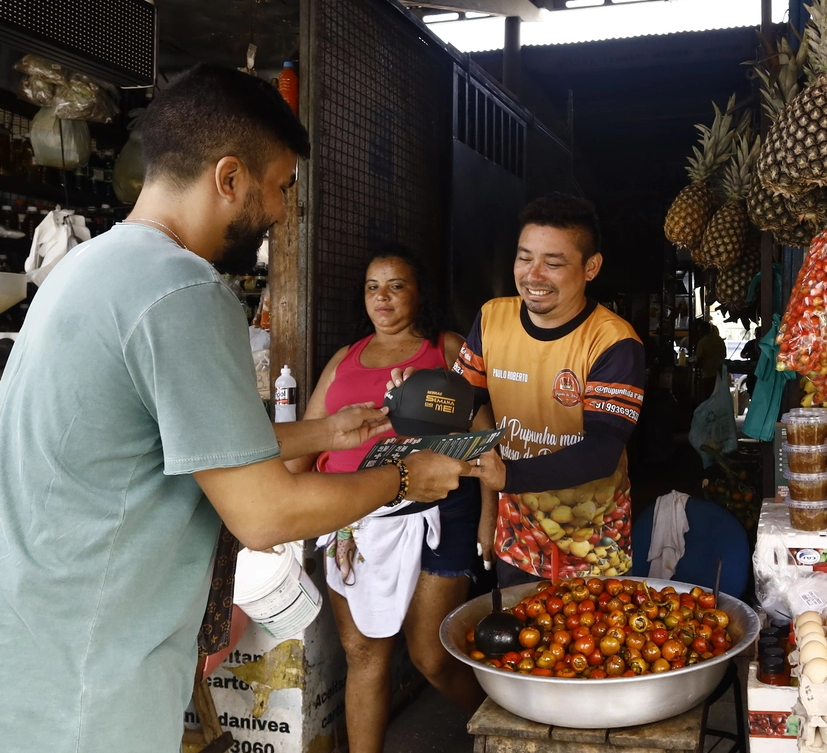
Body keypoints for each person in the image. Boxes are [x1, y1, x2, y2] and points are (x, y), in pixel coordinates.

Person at [0, 64, 471, 753]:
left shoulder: (87, 269)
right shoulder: (182, 290)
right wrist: (408, 479)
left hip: (36, 648)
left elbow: (173, 442)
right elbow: (265, 515)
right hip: (94, 680)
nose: (281, 210)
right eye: (279, 185)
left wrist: (325, 430)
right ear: (229, 178)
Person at [285, 245, 486, 750]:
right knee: (363, 654)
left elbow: (483, 439)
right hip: (352, 517)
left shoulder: (444, 350)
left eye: (396, 285)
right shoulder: (343, 358)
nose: (383, 297)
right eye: (373, 286)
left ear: (419, 294)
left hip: (436, 509)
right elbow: (307, 444)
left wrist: (490, 518)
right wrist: (278, 503)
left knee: (431, 655)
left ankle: (499, 729)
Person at [455, 193, 646, 586]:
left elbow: (601, 452)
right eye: (525, 258)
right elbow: (461, 399)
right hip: (518, 538)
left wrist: (507, 475)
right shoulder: (493, 318)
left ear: (590, 267)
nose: (533, 274)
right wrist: (414, 396)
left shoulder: (613, 342)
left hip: (594, 546)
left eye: (553, 263)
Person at [693, 319, 727, 398]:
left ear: (701, 331)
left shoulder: (702, 342)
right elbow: (724, 355)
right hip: (720, 375)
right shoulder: (719, 340)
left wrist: (695, 366)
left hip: (708, 376)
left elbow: (699, 360)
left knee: (708, 400)